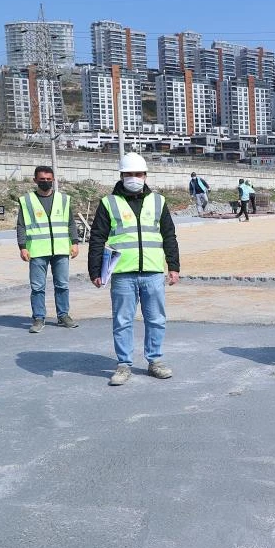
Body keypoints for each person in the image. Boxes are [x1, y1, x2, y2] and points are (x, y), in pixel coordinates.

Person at [88, 153, 181, 386]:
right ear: (121, 176)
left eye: (138, 174)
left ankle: (155, 361)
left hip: (152, 272)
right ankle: (124, 364)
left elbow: (169, 235)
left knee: (156, 319)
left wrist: (174, 266)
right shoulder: (108, 203)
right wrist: (95, 270)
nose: (134, 178)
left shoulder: (158, 201)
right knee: (122, 320)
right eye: (129, 174)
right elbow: (97, 238)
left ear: (145, 175)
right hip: (122, 273)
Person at [17, 165, 80, 333]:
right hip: (37, 251)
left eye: (48, 179)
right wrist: (22, 247)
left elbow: (70, 223)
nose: (45, 182)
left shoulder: (64, 199)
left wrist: (74, 242)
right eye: (42, 179)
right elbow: (21, 226)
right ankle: (38, 318)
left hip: (60, 249)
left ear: (53, 180)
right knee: (37, 287)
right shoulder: (27, 201)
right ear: (35, 180)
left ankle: (63, 316)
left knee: (63, 285)